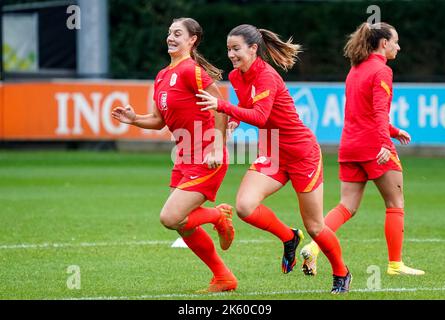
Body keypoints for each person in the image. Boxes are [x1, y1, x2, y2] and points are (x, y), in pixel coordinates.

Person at [196, 24, 351, 294]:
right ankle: (289, 238)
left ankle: (341, 272)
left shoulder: (267, 76)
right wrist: (232, 120)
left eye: (236, 48)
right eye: (229, 49)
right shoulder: (236, 76)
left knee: (315, 226)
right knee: (244, 206)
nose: (231, 54)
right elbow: (247, 109)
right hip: (272, 152)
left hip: (302, 153)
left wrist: (222, 107)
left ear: (253, 48)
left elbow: (260, 116)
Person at [112, 17, 238, 292]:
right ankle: (223, 277)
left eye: (177, 33)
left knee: (170, 218)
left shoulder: (191, 70)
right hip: (183, 157)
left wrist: (217, 145)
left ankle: (218, 216)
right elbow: (158, 120)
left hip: (207, 156)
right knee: (182, 224)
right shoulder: (161, 76)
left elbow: (219, 106)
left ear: (192, 40)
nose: (170, 37)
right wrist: (134, 120)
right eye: (169, 32)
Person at [300, 22, 424, 277]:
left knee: (346, 205)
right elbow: (379, 111)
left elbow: (362, 112)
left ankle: (314, 247)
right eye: (396, 42)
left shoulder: (355, 69)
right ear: (384, 43)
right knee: (395, 202)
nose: (399, 47)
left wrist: (393, 130)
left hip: (349, 145)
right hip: (373, 146)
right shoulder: (382, 71)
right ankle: (395, 265)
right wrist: (384, 142)